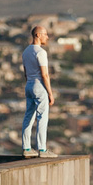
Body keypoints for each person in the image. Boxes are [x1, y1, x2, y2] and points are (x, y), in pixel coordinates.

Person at [20, 25, 57, 158]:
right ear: (38, 35)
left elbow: (25, 72)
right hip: (39, 86)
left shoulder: (25, 52)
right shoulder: (41, 52)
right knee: (42, 117)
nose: (47, 37)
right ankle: (42, 149)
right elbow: (45, 75)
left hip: (29, 85)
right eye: (45, 34)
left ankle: (27, 147)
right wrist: (50, 94)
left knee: (28, 116)